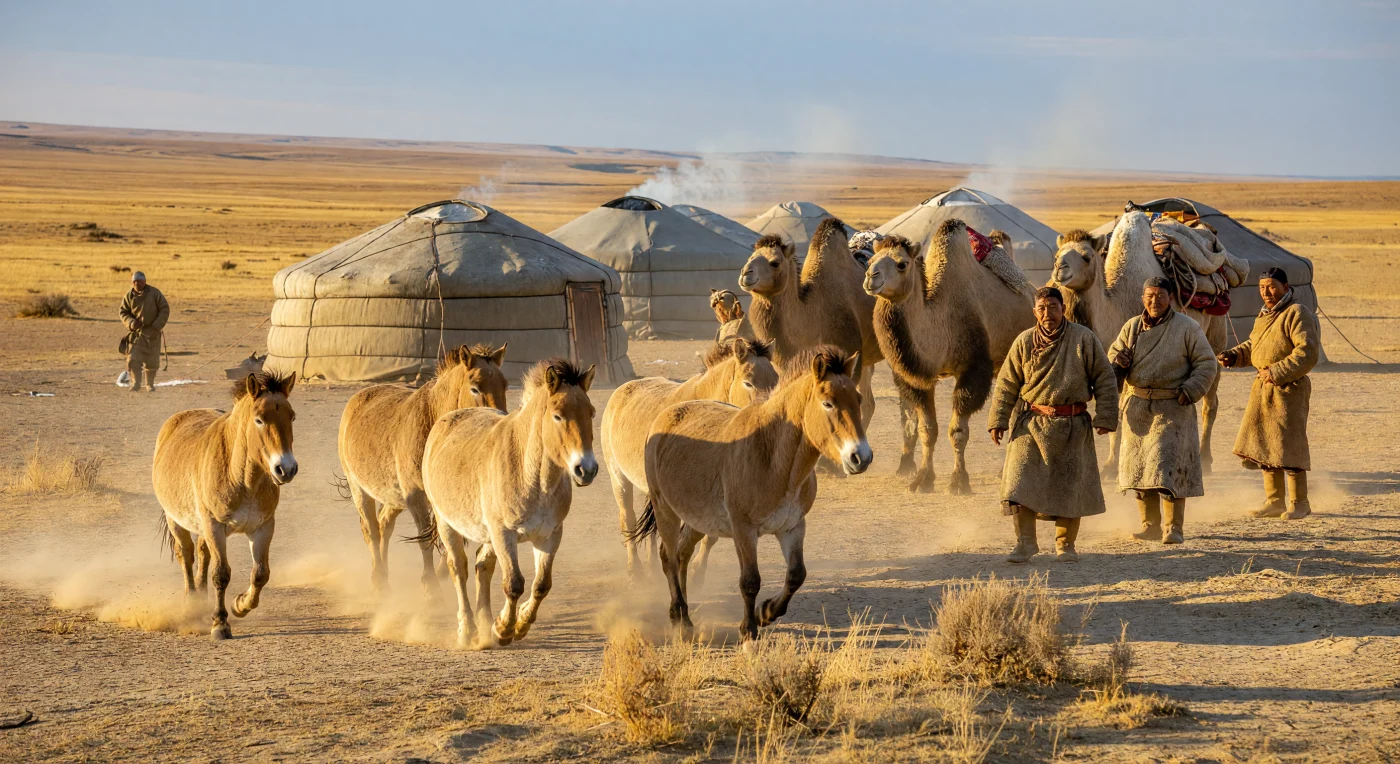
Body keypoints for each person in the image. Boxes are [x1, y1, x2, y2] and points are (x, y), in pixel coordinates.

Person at [989, 286, 1118, 563]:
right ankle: (1025, 543)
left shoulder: (1084, 339)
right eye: (1042, 308)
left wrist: (1106, 417)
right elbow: (1007, 383)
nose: (1048, 313)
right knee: (1019, 482)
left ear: (1063, 309)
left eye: (1053, 307)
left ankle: (1065, 544)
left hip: (1073, 425)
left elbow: (1105, 378)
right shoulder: (1024, 342)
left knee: (1070, 486)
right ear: (1035, 312)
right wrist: (998, 419)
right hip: (1031, 423)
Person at [1109, 277, 1218, 544]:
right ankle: (1150, 526)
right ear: (1142, 298)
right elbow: (1112, 356)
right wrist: (1118, 362)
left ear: (1171, 298)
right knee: (1139, 468)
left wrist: (1191, 390)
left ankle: (1173, 527)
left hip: (1173, 407)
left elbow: (1207, 362)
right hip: (1136, 408)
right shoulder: (1132, 327)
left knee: (1168, 467)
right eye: (1149, 296)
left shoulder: (1187, 327)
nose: (1154, 301)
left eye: (1160, 295)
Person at [1217, 267, 1321, 520]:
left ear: (1286, 287)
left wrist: (1277, 371)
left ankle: (1300, 502)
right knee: (1265, 442)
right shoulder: (1264, 315)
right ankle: (1275, 501)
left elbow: (1307, 352)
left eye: (1272, 286)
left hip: (1290, 388)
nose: (1266, 292)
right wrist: (1235, 355)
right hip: (1263, 389)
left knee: (1289, 444)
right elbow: (1256, 345)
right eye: (1262, 287)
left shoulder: (1296, 313)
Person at [119, 271, 169, 392]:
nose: (138, 284)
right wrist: (131, 323)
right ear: (132, 283)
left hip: (153, 332)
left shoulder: (154, 293)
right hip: (136, 333)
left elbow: (164, 309)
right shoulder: (129, 296)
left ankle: (149, 384)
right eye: (135, 282)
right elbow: (123, 312)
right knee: (134, 359)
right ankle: (136, 383)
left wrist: (156, 326)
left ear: (145, 281)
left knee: (151, 360)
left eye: (140, 282)